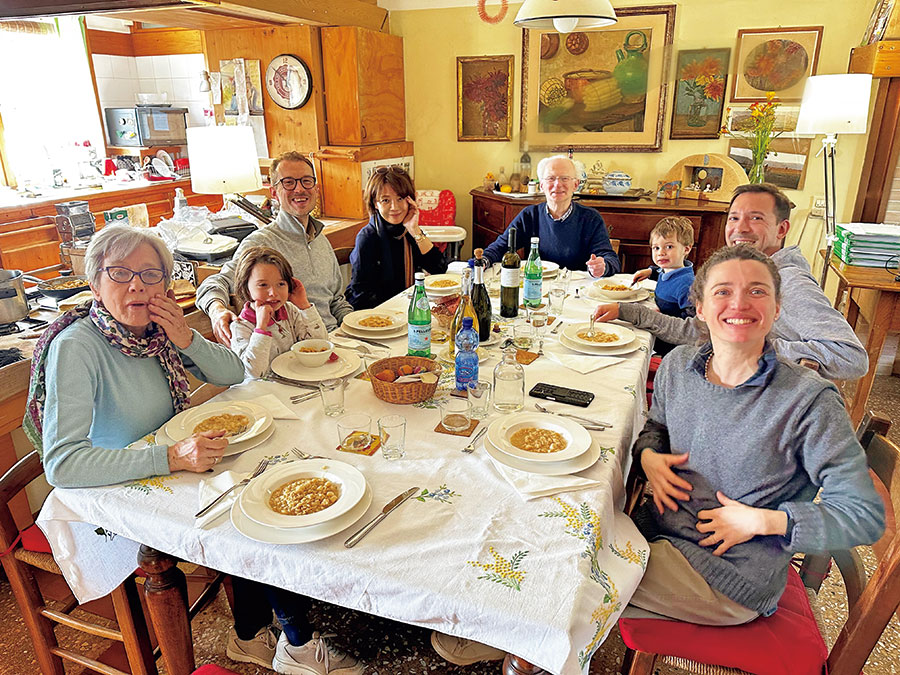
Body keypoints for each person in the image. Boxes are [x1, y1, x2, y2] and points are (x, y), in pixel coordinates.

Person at [26, 225, 363, 675]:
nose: (137, 286)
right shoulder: (77, 347)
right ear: (95, 284)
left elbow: (231, 373)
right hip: (116, 493)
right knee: (255, 520)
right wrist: (169, 457)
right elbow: (62, 465)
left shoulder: (155, 330)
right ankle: (298, 645)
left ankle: (248, 633)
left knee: (264, 487)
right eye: (121, 274)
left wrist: (184, 335)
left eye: (151, 275)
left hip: (177, 463)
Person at [625, 244, 884, 624]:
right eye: (723, 291)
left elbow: (862, 516)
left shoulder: (807, 400)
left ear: (777, 309)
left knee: (574, 584)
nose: (739, 303)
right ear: (699, 307)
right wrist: (649, 457)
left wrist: (764, 521)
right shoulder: (678, 367)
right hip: (662, 530)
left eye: (757, 291)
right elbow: (656, 428)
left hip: (730, 576)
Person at [592, 183, 868, 381]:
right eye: (734, 218)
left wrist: (750, 345)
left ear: (782, 229)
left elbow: (851, 357)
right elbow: (698, 332)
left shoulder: (790, 282)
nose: (740, 228)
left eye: (756, 218)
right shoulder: (749, 273)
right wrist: (629, 312)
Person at [197, 151, 354, 344]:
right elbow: (215, 282)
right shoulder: (260, 244)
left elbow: (337, 300)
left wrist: (353, 329)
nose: (299, 189)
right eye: (289, 182)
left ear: (316, 189)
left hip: (335, 339)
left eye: (306, 181)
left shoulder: (320, 239)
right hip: (295, 351)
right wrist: (216, 310)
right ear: (274, 193)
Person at [482, 155, 620, 277]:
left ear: (576, 184)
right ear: (541, 185)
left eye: (565, 178)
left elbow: (611, 259)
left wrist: (603, 266)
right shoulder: (529, 215)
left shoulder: (591, 219)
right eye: (551, 178)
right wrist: (483, 260)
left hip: (576, 291)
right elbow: (500, 247)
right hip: (535, 286)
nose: (557, 184)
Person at [346, 165, 448, 309]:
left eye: (400, 198)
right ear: (375, 203)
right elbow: (361, 295)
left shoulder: (408, 230)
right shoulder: (367, 237)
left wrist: (415, 229)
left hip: (405, 307)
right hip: (379, 313)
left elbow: (439, 268)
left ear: (410, 200)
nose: (395, 207)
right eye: (386, 200)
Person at [229, 246, 327, 378]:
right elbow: (254, 373)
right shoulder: (240, 326)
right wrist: (261, 328)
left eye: (281, 284)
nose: (273, 293)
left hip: (296, 381)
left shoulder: (290, 310)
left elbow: (320, 347)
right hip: (263, 393)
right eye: (263, 285)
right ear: (246, 289)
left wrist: (305, 306)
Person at [632, 216, 695, 319]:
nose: (661, 253)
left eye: (669, 247)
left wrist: (662, 317)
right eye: (656, 248)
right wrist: (650, 272)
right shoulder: (669, 270)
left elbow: (690, 322)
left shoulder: (687, 285)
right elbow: (664, 275)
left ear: (686, 249)